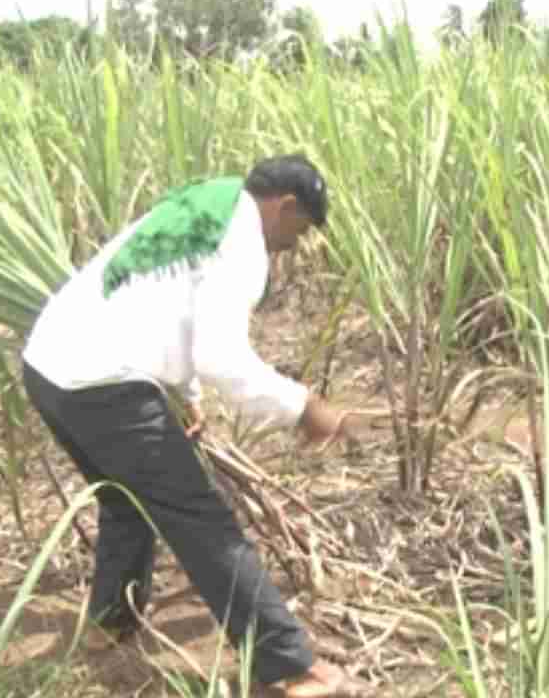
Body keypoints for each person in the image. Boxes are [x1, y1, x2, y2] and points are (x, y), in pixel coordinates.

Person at [20, 154, 373, 697]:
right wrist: (305, 407)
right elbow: (224, 360)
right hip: (101, 381)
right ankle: (289, 666)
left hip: (48, 365)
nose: (292, 248)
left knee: (124, 501)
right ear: (286, 207)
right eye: (298, 233)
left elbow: (163, 302)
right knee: (201, 520)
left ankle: (110, 625)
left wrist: (183, 396)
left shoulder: (212, 200)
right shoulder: (242, 241)